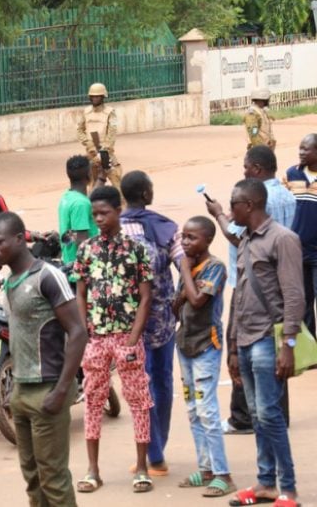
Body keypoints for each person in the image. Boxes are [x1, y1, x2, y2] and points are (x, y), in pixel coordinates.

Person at [0, 212, 87, 506]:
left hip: (48, 388)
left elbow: (78, 332)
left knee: (53, 479)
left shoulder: (47, 276)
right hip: (22, 390)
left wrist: (61, 390)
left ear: (20, 240)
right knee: (32, 476)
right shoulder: (10, 281)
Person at [217, 178, 302, 506]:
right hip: (248, 338)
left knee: (269, 413)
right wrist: (234, 345)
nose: (230, 209)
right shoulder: (246, 241)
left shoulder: (283, 239)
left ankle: (289, 488)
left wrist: (288, 345)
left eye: (233, 203)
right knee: (256, 413)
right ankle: (266, 483)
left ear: (249, 205)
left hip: (270, 338)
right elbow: (240, 297)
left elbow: (294, 295)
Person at [71, 185, 154, 494]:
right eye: (95, 215)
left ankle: (142, 467)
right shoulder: (86, 249)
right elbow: (80, 292)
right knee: (92, 400)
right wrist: (85, 332)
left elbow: (145, 298)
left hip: (126, 338)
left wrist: (132, 339)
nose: (99, 219)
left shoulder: (136, 249)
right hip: (96, 339)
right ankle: (93, 470)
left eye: (104, 213)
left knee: (138, 401)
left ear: (119, 211)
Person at [207, 145, 296, 434]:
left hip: (252, 284)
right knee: (274, 354)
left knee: (243, 352)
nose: (244, 170)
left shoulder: (257, 201)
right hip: (278, 286)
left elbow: (241, 240)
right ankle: (278, 415)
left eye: (246, 167)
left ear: (257, 169)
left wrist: (219, 215)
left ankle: (242, 417)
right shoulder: (286, 194)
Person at [119, 170, 183, 475]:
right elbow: (186, 267)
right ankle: (157, 451)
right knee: (162, 382)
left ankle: (151, 452)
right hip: (163, 322)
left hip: (127, 327)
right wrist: (181, 303)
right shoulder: (165, 228)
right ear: (146, 194)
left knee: (137, 387)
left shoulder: (111, 231)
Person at [172, 216, 236, 498]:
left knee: (208, 410)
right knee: (192, 409)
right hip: (184, 344)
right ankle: (206, 468)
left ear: (208, 240)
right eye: (183, 237)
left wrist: (185, 271)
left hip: (206, 347)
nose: (185, 242)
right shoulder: (189, 268)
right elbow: (176, 307)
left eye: (192, 237)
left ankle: (223, 473)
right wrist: (186, 285)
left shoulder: (215, 268)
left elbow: (198, 301)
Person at [285, 133, 317, 337]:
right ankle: (312, 349)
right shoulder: (291, 174)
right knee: (303, 301)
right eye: (300, 148)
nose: (301, 152)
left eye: (306, 149)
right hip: (298, 250)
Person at [77, 83, 121, 189]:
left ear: (103, 97)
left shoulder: (110, 112)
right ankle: (91, 204)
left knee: (116, 179)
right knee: (93, 183)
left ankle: (123, 204)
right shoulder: (86, 112)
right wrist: (89, 144)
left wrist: (104, 150)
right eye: (93, 96)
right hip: (91, 152)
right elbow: (80, 130)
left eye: (97, 96)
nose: (95, 98)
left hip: (106, 153)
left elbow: (112, 133)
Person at [58, 155, 99, 268]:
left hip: (69, 261)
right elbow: (82, 241)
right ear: (89, 175)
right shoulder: (81, 204)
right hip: (82, 268)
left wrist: (101, 178)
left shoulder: (67, 197)